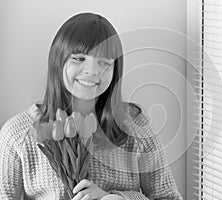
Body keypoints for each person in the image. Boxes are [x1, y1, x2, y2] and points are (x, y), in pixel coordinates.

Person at [0, 12, 183, 200]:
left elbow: (168, 197)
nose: (92, 71)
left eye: (104, 62)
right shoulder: (18, 135)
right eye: (79, 58)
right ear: (58, 61)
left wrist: (119, 198)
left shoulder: (135, 128)